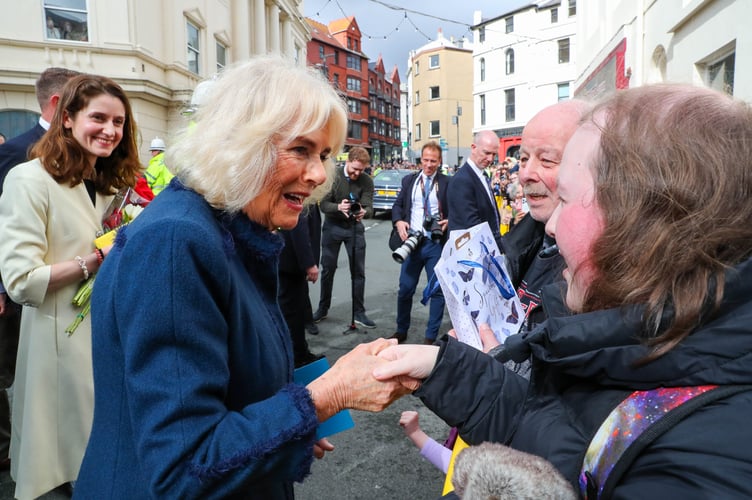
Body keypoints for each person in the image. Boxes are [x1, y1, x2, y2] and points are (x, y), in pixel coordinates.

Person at [374, 84, 752, 497]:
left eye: (567, 199)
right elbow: (567, 432)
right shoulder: (655, 344)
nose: (551, 226)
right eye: (523, 158)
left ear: (640, 224)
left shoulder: (708, 459)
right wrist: (441, 366)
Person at [74, 56, 413, 498]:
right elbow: (184, 467)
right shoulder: (177, 241)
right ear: (238, 144)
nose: (317, 174)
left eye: (325, 156)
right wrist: (327, 396)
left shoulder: (231, 228)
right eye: (301, 150)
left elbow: (231, 377)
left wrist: (304, 412)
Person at [0, 73, 142, 499]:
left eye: (119, 122)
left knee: (106, 464)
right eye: (98, 117)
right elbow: (21, 281)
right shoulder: (29, 179)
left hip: (109, 343)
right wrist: (96, 260)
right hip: (59, 347)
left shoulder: (108, 185)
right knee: (63, 470)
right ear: (67, 118)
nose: (110, 130)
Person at [0, 66, 79, 476]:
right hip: (28, 287)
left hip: (78, 298)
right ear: (58, 104)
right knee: (19, 378)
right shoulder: (17, 152)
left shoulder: (89, 155)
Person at [389, 141, 449, 344]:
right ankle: (401, 330)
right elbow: (397, 205)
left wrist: (450, 220)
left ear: (439, 161)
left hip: (435, 244)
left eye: (433, 161)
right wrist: (399, 222)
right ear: (420, 160)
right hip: (412, 242)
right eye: (426, 160)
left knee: (437, 290)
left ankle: (430, 337)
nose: (429, 164)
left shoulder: (447, 183)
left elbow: (457, 210)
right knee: (405, 288)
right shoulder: (409, 181)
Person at [313, 146, 376, 329]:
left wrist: (364, 212)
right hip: (332, 227)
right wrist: (338, 208)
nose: (357, 173)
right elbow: (323, 205)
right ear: (348, 161)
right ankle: (323, 309)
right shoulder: (333, 176)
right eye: (354, 168)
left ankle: (359, 313)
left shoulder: (366, 181)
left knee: (358, 273)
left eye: (361, 170)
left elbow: (370, 206)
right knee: (328, 270)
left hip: (355, 229)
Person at [279, 207, 325, 367]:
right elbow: (298, 228)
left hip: (288, 261)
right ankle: (297, 356)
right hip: (291, 263)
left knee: (294, 310)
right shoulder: (300, 194)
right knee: (292, 313)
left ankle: (299, 352)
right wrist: (309, 264)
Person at [446, 130, 502, 248]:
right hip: (471, 252)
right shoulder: (462, 180)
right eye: (486, 153)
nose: (490, 159)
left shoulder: (482, 175)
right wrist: (499, 245)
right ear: (473, 147)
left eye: (494, 154)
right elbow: (472, 224)